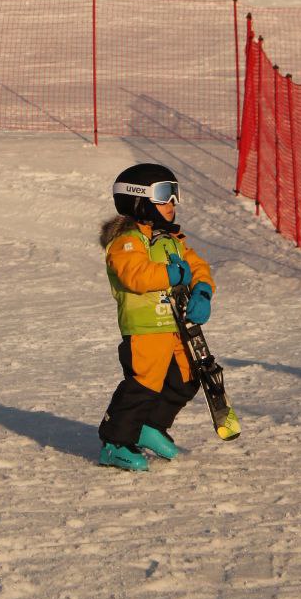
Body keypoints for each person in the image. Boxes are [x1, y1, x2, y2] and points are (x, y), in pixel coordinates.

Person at [98, 163, 214, 471]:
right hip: (145, 328)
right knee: (143, 384)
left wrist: (202, 289)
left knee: (188, 377)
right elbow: (134, 275)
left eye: (174, 194)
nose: (172, 203)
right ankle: (115, 443)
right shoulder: (127, 241)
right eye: (164, 194)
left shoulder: (171, 238)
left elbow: (197, 265)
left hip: (176, 325)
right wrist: (171, 274)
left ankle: (150, 427)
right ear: (137, 199)